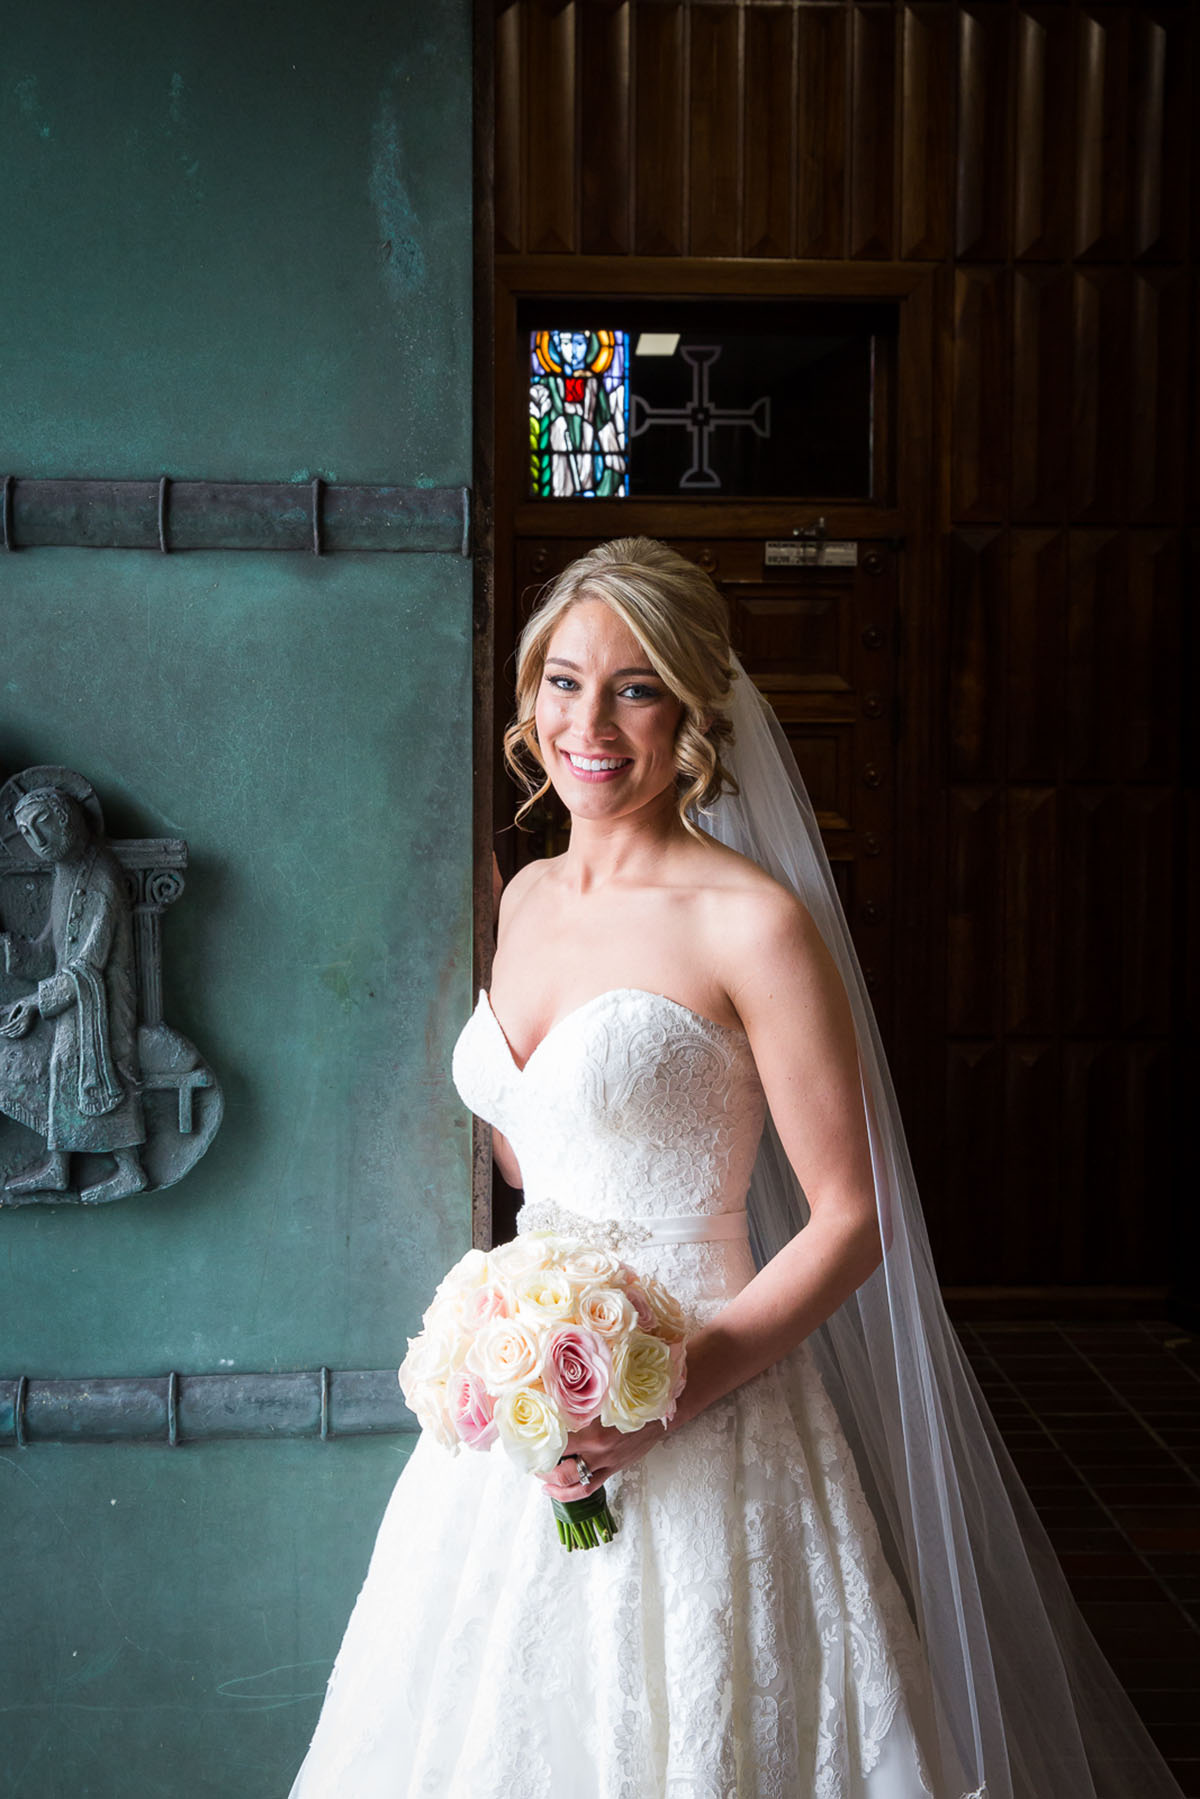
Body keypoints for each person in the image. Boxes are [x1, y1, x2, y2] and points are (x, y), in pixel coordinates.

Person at [289, 539, 1183, 1798]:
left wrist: (676, 1383)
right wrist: (524, 1346)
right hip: (530, 1412)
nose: (587, 722)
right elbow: (536, 1142)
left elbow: (853, 1217)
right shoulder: (527, 895)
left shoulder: (750, 920)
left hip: (707, 1386)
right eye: (561, 679)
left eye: (636, 686)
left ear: (699, 709)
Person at [0, 785, 146, 1204]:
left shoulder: (101, 874)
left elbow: (87, 962)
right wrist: (11, 946)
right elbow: (50, 949)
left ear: (66, 818)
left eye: (42, 823)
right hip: (72, 1000)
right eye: (27, 832)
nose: (37, 839)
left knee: (98, 1074)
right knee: (61, 1069)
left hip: (99, 1003)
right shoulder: (66, 871)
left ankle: (131, 1170)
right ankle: (58, 1168)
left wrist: (34, 1002)